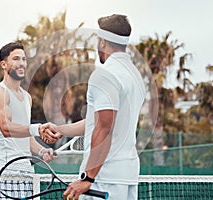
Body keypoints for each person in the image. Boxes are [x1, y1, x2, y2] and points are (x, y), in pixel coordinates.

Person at [43, 14, 146, 200]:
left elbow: (104, 127)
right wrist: (60, 129)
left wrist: (88, 177)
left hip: (103, 177)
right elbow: (97, 120)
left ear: (104, 42)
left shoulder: (105, 75)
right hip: (126, 175)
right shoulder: (135, 77)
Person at [0, 42, 59, 173]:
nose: (21, 63)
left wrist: (41, 150)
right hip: (4, 172)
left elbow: (26, 136)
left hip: (27, 172)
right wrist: (37, 128)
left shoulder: (27, 97)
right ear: (4, 64)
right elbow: (6, 128)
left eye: (24, 59)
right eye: (15, 59)